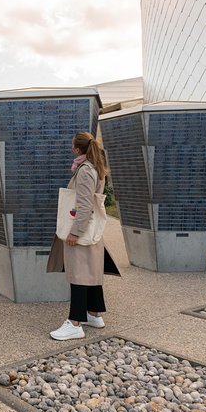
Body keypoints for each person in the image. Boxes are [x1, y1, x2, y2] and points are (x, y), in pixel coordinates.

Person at [47, 132, 120, 340]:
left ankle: (75, 323)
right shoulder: (94, 167)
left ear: (78, 149)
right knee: (90, 272)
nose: (71, 149)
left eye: (73, 146)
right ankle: (94, 314)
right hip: (91, 232)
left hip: (82, 231)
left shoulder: (86, 170)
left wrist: (74, 232)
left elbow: (85, 204)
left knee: (79, 275)